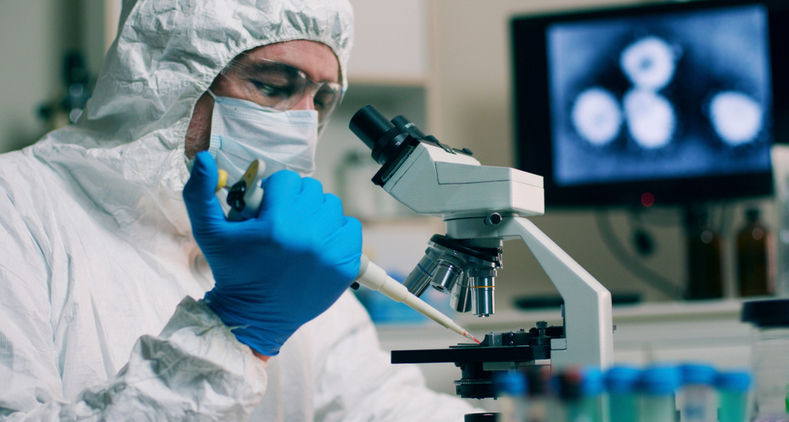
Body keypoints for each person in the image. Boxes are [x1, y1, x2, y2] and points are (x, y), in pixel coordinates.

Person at [0, 0, 479, 420]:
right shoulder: (18, 208)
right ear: (171, 81)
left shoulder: (279, 247)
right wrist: (234, 333)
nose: (303, 125)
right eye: (272, 86)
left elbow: (379, 405)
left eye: (320, 100)